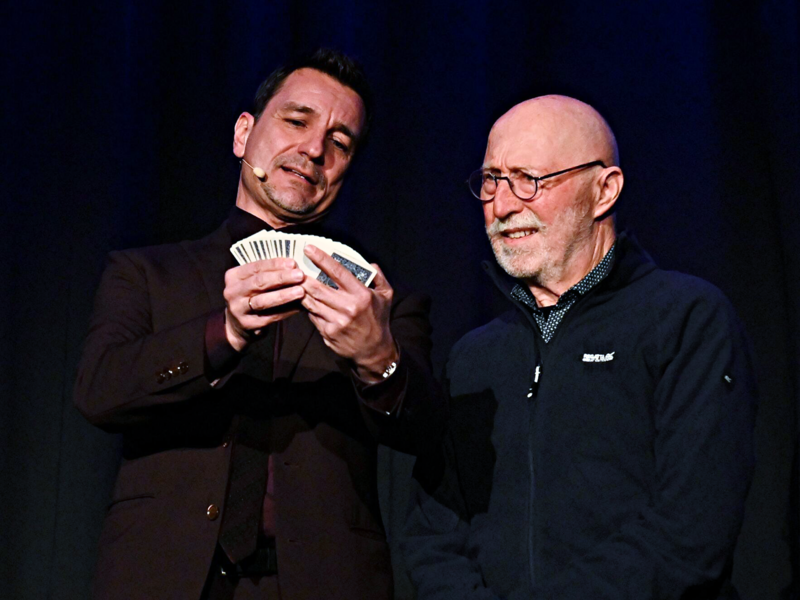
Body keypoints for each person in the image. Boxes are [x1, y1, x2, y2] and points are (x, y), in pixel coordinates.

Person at [74, 49, 445, 600]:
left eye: (340, 142)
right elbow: (99, 392)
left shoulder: (378, 301)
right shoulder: (147, 273)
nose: (315, 149)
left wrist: (377, 358)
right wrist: (221, 333)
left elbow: (425, 435)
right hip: (163, 577)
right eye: (297, 121)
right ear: (244, 134)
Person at [403, 95, 757, 599]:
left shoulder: (686, 320)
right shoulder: (474, 357)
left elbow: (689, 531)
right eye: (491, 182)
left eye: (529, 179)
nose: (502, 206)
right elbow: (433, 532)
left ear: (603, 191)